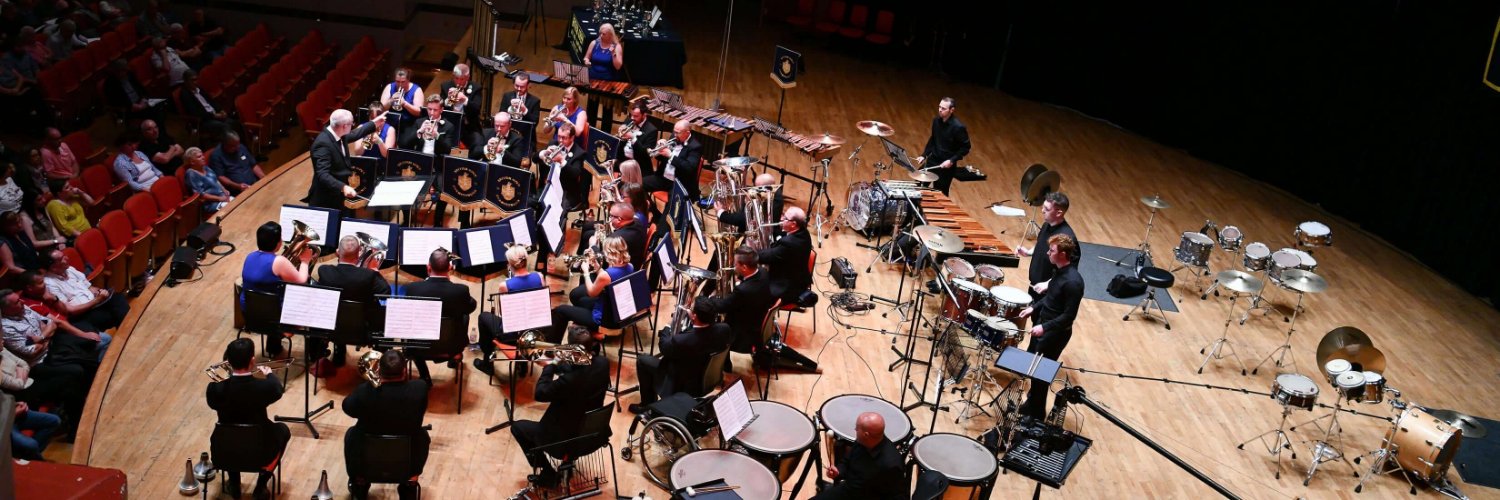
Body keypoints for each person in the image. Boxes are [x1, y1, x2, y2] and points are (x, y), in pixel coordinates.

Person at [510, 325, 609, 487]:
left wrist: (550, 365)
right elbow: (580, 369)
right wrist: (555, 363)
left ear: (572, 348)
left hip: (562, 440)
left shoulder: (568, 382)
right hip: (592, 432)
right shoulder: (603, 364)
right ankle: (568, 462)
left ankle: (548, 474)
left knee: (518, 428)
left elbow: (540, 393)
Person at [205, 338, 288, 500]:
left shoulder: (215, 389)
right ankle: (261, 486)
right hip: (259, 452)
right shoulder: (263, 388)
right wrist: (269, 374)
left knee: (233, 436)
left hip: (223, 452)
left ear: (228, 362)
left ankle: (234, 483)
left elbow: (214, 400)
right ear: (252, 361)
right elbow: (277, 389)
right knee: (283, 431)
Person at [342, 348, 430, 500]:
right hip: (407, 455)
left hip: (368, 453)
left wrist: (369, 385)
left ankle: (360, 483)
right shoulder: (420, 389)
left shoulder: (364, 392)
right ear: (404, 370)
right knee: (422, 435)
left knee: (352, 434)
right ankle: (410, 483)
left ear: (379, 370)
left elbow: (347, 407)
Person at [1016, 234, 1083, 420]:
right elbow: (1050, 298)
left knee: (1040, 377)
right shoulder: (1059, 273)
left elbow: (1068, 316)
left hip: (1055, 334)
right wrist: (1033, 308)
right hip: (1043, 326)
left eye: (1051, 251)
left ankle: (1037, 416)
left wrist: (1044, 327)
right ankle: (1031, 404)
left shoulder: (1073, 282)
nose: (1047, 254)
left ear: (1062, 254)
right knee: (1033, 370)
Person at [629, 300, 731, 412]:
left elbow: (664, 346)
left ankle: (647, 405)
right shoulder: (724, 329)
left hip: (681, 381)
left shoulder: (682, 341)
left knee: (642, 360)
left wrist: (668, 327)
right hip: (707, 378)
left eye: (691, 310)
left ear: (694, 316)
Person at [312, 235, 390, 377]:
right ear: (359, 253)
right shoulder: (367, 276)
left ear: (337, 252)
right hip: (363, 332)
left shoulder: (325, 271)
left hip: (331, 328)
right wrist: (374, 270)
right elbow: (385, 292)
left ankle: (338, 352)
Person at [401, 248, 476, 382]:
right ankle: (455, 356)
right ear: (450, 267)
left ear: (428, 267)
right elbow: (471, 307)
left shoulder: (413, 288)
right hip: (451, 345)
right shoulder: (460, 291)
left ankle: (424, 376)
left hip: (419, 345)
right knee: (464, 316)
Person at [240, 222, 312, 357]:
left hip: (250, 314)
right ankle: (314, 353)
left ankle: (274, 345)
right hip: (274, 320)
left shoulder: (249, 256)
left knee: (271, 298)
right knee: (310, 300)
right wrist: (305, 261)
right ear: (278, 243)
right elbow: (302, 280)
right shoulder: (279, 261)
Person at [474, 245, 545, 375]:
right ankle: (522, 365)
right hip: (534, 331)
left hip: (512, 335)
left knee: (483, 317)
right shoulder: (539, 277)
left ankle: (487, 362)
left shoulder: (505, 285)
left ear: (509, 264)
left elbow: (503, 313)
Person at [547, 236, 631, 342]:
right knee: (579, 299)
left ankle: (551, 347)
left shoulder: (605, 276)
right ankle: (582, 329)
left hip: (605, 320)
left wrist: (586, 271)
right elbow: (609, 278)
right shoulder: (629, 266)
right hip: (616, 311)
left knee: (561, 311)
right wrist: (597, 268)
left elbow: (591, 292)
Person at [700, 246, 777, 354]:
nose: (733, 266)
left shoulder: (743, 291)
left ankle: (721, 363)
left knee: (706, 324)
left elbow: (722, 307)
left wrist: (707, 298)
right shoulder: (763, 272)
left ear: (744, 267)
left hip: (742, 334)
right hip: (755, 317)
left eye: (735, 264)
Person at [812, 412, 907, 500]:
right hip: (848, 490)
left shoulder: (891, 465)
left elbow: (898, 496)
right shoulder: (862, 442)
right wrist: (838, 472)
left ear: (866, 434)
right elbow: (846, 461)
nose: (855, 430)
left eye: (857, 428)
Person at [308, 109, 383, 214]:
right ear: (344, 126)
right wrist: (343, 187)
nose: (353, 125)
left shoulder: (338, 134)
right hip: (325, 200)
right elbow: (323, 174)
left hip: (337, 195)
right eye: (352, 123)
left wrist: (374, 123)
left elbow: (355, 134)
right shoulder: (322, 144)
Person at [41, 249, 130, 331]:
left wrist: (100, 292)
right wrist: (97, 300)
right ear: (53, 267)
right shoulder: (50, 284)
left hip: (95, 304)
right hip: (82, 315)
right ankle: (127, 333)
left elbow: (90, 288)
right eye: (61, 259)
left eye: (64, 255)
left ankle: (127, 331)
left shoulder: (70, 269)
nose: (67, 258)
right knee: (112, 315)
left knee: (118, 298)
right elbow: (70, 310)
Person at [1019, 192, 1076, 303]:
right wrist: (1029, 252)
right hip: (1035, 285)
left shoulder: (1066, 239)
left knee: (1040, 320)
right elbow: (1041, 244)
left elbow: (1070, 271)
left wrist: (1048, 283)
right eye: (1043, 207)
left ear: (1059, 212)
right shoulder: (1047, 225)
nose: (1042, 210)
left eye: (1047, 208)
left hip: (1050, 293)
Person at [914, 97, 971, 196]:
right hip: (933, 161)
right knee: (918, 186)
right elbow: (933, 139)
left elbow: (966, 147)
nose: (940, 110)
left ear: (951, 110)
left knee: (940, 194)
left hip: (946, 167)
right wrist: (924, 155)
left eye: (943, 108)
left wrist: (952, 160)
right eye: (939, 107)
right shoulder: (936, 121)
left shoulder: (958, 127)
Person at [759, 206, 813, 303]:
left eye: (785, 218)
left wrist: (749, 251)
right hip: (795, 278)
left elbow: (764, 257)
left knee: (752, 290)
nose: (781, 219)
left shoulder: (789, 244)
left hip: (787, 288)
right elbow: (782, 236)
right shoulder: (803, 232)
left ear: (793, 224)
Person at [643, 120, 702, 202]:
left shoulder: (695, 147)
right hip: (663, 178)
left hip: (680, 183)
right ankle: (654, 212)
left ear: (687, 133)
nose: (675, 135)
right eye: (674, 132)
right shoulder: (674, 138)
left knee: (673, 205)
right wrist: (659, 149)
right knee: (639, 185)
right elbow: (661, 159)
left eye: (678, 132)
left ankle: (662, 215)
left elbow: (689, 168)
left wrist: (670, 155)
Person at [579, 202, 646, 268]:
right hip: (627, 257)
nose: (609, 219)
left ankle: (582, 266)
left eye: (611, 216)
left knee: (589, 243)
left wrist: (593, 245)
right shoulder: (637, 222)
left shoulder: (616, 239)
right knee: (588, 235)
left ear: (619, 219)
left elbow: (604, 262)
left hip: (622, 270)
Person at [178, 70, 238, 144]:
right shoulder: (185, 95)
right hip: (203, 121)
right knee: (225, 126)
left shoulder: (199, 89)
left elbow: (211, 101)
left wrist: (221, 110)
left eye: (196, 79)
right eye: (192, 80)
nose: (195, 82)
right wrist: (214, 115)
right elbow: (195, 112)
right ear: (186, 81)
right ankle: (227, 148)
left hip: (214, 115)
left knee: (233, 122)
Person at [716, 173, 784, 234]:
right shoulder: (776, 194)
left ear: (767, 188)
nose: (754, 190)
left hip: (758, 238)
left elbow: (743, 220)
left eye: (757, 188)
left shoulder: (770, 200)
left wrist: (721, 213)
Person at [102, 58, 164, 124]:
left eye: (126, 70)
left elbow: (140, 88)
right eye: (123, 71)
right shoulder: (110, 84)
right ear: (116, 72)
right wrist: (131, 106)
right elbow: (114, 102)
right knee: (154, 114)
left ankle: (157, 131)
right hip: (129, 109)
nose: (126, 73)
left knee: (161, 105)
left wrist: (143, 98)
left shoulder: (129, 74)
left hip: (140, 102)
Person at [439, 63, 483, 151]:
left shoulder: (476, 88)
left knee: (477, 145)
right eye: (456, 78)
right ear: (453, 75)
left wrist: (465, 99)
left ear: (468, 77)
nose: (458, 82)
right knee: (440, 143)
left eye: (462, 79)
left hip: (468, 126)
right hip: (450, 125)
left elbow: (476, 109)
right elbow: (440, 107)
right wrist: (447, 100)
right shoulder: (445, 86)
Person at [181, 147, 230, 212]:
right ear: (192, 162)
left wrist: (224, 190)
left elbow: (215, 180)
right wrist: (220, 198)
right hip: (210, 203)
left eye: (202, 155)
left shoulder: (205, 167)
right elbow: (201, 195)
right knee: (231, 208)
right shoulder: (191, 174)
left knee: (238, 203)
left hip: (222, 197)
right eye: (199, 157)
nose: (203, 158)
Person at [615, 100, 658, 173]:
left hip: (638, 165)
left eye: (636, 116)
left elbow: (645, 154)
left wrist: (633, 138)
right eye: (631, 115)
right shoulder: (629, 120)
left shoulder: (652, 131)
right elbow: (620, 143)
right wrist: (620, 135)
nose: (632, 118)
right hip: (623, 159)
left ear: (644, 115)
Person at [39, 127, 79, 193]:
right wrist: (67, 177)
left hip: (74, 177)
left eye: (60, 138)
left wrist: (76, 174)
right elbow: (49, 175)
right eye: (56, 139)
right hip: (63, 184)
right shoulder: (45, 153)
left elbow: (74, 162)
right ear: (47, 140)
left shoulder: (63, 145)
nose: (60, 140)